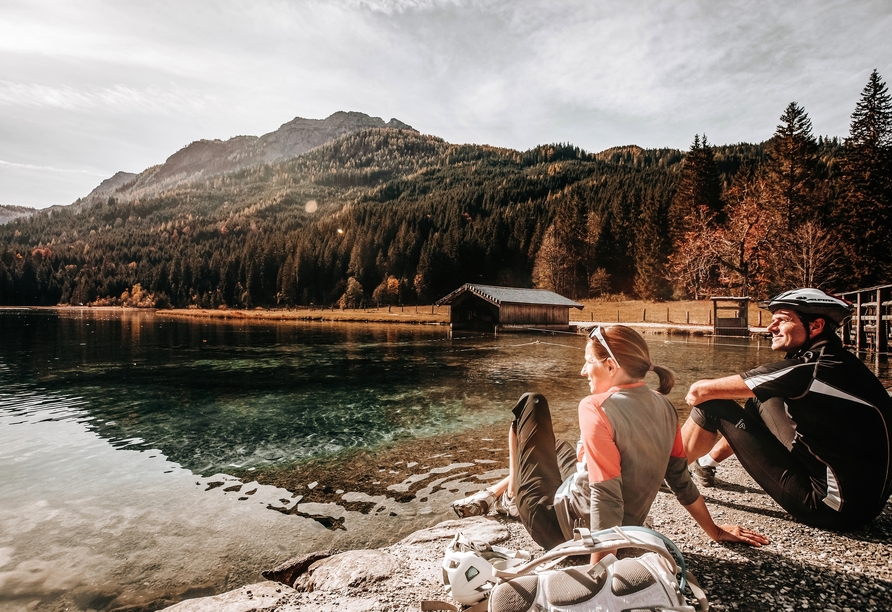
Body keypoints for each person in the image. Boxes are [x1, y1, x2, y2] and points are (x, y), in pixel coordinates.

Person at [452, 325, 768, 554]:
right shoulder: (666, 407)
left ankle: (513, 497)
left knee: (530, 404)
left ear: (611, 366)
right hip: (617, 528)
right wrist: (714, 532)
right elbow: (680, 479)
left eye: (588, 362)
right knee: (560, 447)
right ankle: (507, 490)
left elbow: (607, 496)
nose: (582, 371)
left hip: (556, 528)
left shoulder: (594, 407)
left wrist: (600, 574)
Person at [682, 288, 892, 531]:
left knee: (712, 405)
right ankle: (706, 464)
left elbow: (699, 392)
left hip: (830, 507)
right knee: (764, 399)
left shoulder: (809, 369)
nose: (771, 328)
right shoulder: (840, 361)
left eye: (781, 319)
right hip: (866, 502)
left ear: (815, 326)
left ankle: (667, 474)